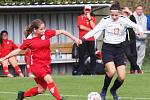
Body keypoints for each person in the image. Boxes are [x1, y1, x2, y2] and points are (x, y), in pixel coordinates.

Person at [0, 19, 81, 100]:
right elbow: (17, 51)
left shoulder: (46, 33)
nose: (43, 30)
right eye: (41, 29)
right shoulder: (29, 40)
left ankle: (22, 95)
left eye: (44, 28)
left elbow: (62, 31)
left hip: (46, 64)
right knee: (49, 79)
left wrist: (75, 39)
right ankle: (59, 99)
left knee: (41, 89)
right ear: (35, 30)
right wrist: (4, 57)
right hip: (36, 66)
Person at [83, 3, 143, 100]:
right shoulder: (105, 20)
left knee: (122, 77)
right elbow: (96, 30)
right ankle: (104, 90)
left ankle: (113, 90)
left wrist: (140, 30)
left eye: (116, 15)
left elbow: (136, 26)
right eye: (112, 15)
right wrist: (84, 37)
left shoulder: (124, 20)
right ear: (110, 13)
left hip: (119, 49)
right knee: (111, 71)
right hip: (108, 48)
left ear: (119, 13)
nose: (114, 17)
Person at [121, 7, 142, 74]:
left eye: (127, 12)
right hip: (125, 40)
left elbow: (134, 23)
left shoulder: (130, 19)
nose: (126, 13)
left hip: (132, 39)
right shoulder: (121, 19)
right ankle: (138, 68)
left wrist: (130, 12)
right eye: (125, 11)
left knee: (134, 55)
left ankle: (132, 69)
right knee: (129, 54)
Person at [77, 5, 97, 75]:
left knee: (93, 55)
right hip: (83, 39)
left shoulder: (93, 18)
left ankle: (93, 71)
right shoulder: (80, 17)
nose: (87, 11)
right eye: (86, 10)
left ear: (90, 11)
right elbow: (81, 27)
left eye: (88, 10)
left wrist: (89, 19)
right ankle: (80, 71)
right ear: (84, 10)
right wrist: (90, 30)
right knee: (81, 55)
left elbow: (94, 27)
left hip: (91, 39)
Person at [133, 5, 147, 71]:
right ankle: (134, 68)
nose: (139, 10)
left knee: (141, 55)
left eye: (141, 9)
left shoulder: (145, 17)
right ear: (136, 10)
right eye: (138, 9)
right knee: (134, 55)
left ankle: (139, 68)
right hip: (135, 39)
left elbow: (145, 27)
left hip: (143, 39)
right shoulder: (132, 16)